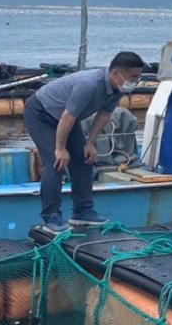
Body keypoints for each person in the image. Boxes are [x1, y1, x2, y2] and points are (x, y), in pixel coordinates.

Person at [23, 51, 147, 232]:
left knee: (84, 159)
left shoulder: (116, 89)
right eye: (133, 77)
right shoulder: (88, 85)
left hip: (67, 118)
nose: (135, 82)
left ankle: (82, 211)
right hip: (42, 113)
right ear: (115, 73)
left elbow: (104, 114)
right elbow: (67, 116)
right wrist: (60, 148)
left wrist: (90, 143)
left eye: (138, 77)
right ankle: (51, 217)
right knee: (56, 163)